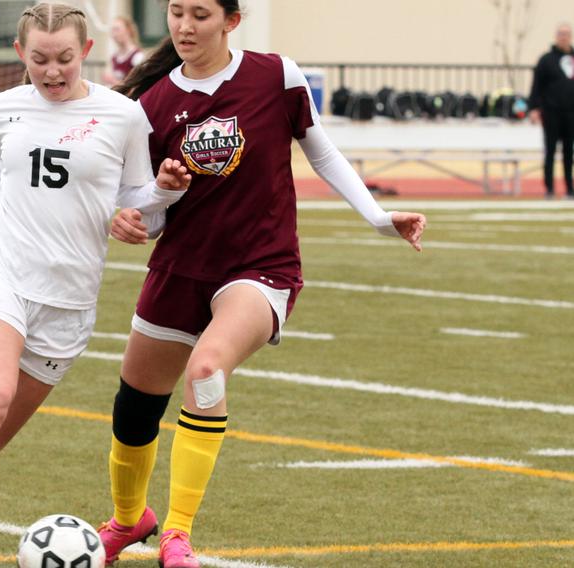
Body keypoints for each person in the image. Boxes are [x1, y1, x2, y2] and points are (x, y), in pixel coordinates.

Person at [95, 1, 427, 567]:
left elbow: (321, 150)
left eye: (200, 14)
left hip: (260, 264)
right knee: (134, 409)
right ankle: (130, 521)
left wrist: (377, 217)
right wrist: (142, 209)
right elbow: (147, 216)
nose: (183, 25)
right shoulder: (149, 106)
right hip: (180, 266)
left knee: (205, 373)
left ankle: (177, 533)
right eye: (176, 11)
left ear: (231, 21)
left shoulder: (275, 75)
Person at [0, 4, 191, 567]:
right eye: (39, 59)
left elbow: (138, 203)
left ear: (85, 53)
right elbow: (4, 168)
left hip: (69, 298)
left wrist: (163, 196)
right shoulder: (4, 106)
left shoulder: (122, 116)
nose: (52, 71)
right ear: (20, 54)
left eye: (63, 58)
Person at [528, 22, 574, 200]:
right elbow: (536, 86)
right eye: (560, 34)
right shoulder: (546, 60)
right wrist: (534, 108)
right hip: (551, 112)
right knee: (550, 151)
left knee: (569, 153)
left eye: (566, 34)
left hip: (571, 113)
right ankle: (549, 188)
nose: (563, 37)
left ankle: (570, 188)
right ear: (556, 36)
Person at [101, 16, 146, 87]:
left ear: (128, 31)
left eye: (117, 29)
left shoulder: (137, 56)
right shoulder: (114, 57)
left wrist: (114, 81)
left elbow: (138, 84)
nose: (114, 34)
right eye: (112, 30)